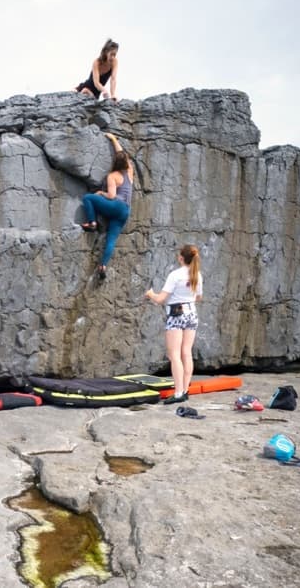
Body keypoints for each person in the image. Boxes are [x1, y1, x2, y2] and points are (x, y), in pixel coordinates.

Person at [144, 245, 203, 404]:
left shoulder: (175, 275)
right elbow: (198, 297)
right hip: (192, 313)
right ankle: (184, 390)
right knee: (186, 352)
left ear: (181, 258)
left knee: (174, 355)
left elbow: (160, 299)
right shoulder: (196, 274)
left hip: (177, 314)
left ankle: (177, 393)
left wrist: (150, 294)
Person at [80, 133, 133, 279]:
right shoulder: (130, 171)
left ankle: (92, 222)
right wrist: (114, 139)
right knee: (111, 239)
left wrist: (100, 193)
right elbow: (122, 154)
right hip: (125, 211)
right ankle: (103, 265)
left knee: (88, 198)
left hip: (116, 206)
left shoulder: (113, 176)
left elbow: (111, 195)